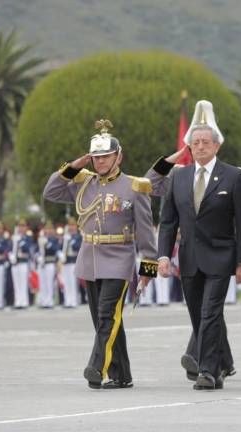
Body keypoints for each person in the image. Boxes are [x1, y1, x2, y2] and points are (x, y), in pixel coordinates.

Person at [43, 119, 160, 390]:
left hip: (119, 258)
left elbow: (145, 231)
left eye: (106, 156)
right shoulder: (84, 183)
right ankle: (122, 375)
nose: (101, 161)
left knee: (108, 314)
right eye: (96, 157)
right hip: (90, 258)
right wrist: (76, 165)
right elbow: (51, 191)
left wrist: (148, 269)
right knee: (103, 319)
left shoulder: (135, 186)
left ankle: (97, 367)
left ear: (119, 157)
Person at [157, 101, 241, 391]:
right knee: (199, 316)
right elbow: (168, 221)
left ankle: (207, 371)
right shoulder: (179, 176)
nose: (200, 147)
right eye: (195, 142)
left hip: (221, 257)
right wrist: (163, 256)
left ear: (216, 146)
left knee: (211, 312)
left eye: (205, 142)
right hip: (189, 258)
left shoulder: (233, 176)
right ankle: (223, 362)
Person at [10, 219, 34, 309]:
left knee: (23, 283)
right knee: (16, 283)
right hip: (15, 263)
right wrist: (10, 255)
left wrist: (21, 241)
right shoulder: (14, 237)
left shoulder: (28, 237)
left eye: (23, 226)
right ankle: (17, 302)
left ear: (26, 228)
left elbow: (28, 248)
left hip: (23, 262)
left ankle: (24, 302)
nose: (21, 228)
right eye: (20, 226)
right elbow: (9, 248)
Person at [36, 221, 60, 308]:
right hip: (42, 264)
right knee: (42, 283)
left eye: (50, 229)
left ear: (53, 230)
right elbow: (36, 250)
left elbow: (55, 249)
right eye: (47, 229)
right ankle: (43, 300)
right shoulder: (41, 239)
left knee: (49, 283)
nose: (48, 231)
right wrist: (38, 257)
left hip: (50, 262)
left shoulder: (54, 239)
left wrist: (47, 243)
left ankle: (49, 301)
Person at [59, 217, 82, 308]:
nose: (71, 227)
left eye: (72, 225)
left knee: (73, 282)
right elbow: (60, 248)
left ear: (76, 227)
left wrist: (70, 241)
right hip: (65, 262)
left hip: (73, 261)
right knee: (66, 282)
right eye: (69, 225)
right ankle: (67, 301)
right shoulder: (65, 237)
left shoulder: (78, 237)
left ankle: (73, 301)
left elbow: (78, 247)